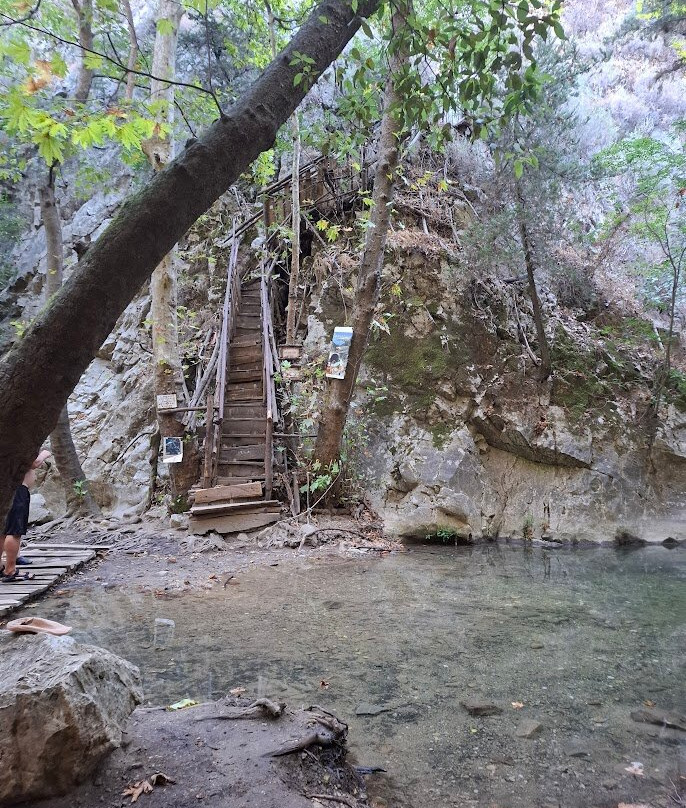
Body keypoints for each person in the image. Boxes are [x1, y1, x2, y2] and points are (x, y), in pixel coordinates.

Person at [0, 449, 51, 583]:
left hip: (5, 488)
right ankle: (10, 570)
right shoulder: (18, 439)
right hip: (17, 489)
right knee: (14, 531)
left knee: (3, 531)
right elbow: (33, 463)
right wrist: (45, 453)